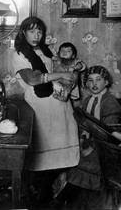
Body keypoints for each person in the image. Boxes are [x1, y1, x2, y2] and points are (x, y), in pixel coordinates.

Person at [11, 16, 80, 208]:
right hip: (41, 107)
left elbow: (65, 68)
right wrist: (62, 74)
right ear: (23, 32)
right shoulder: (19, 54)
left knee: (64, 156)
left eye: (39, 31)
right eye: (32, 31)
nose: (36, 35)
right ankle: (39, 198)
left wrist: (70, 75)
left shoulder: (46, 51)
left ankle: (50, 196)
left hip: (60, 105)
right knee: (42, 157)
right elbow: (33, 80)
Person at [53, 65, 121, 209]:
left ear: (106, 82)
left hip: (107, 149)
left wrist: (90, 148)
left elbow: (108, 135)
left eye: (98, 80)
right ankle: (65, 200)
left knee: (82, 165)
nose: (94, 84)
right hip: (92, 143)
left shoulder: (110, 103)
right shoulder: (88, 100)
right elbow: (84, 126)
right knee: (71, 158)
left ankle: (61, 201)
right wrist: (82, 140)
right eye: (90, 80)